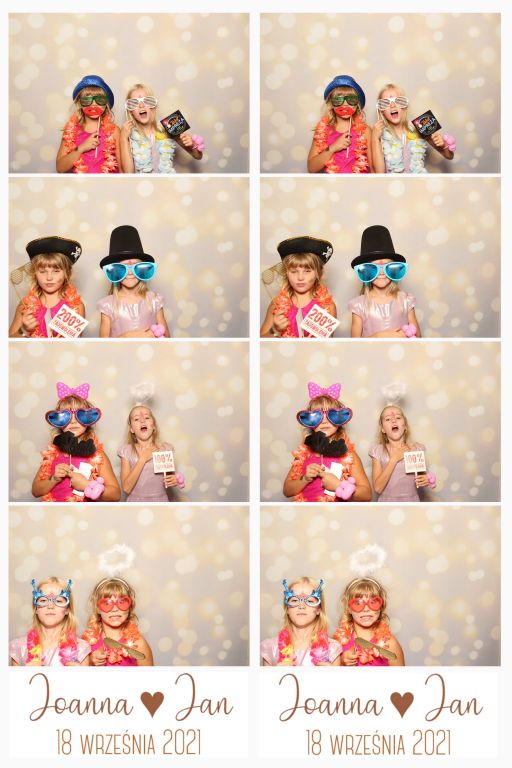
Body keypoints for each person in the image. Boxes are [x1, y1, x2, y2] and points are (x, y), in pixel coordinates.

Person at [31, 382, 121, 502]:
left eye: (80, 415)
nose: (73, 421)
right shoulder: (52, 455)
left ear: (88, 418)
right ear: (58, 421)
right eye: (66, 416)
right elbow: (35, 491)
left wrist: (87, 485)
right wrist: (53, 479)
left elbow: (116, 495)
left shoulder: (97, 455)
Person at [283, 381, 372, 502]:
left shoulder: (348, 455)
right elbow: (287, 491)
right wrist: (305, 479)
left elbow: (367, 495)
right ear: (309, 421)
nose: (324, 421)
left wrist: (339, 486)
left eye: (331, 415)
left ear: (340, 418)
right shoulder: (303, 454)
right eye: (317, 416)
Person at [97, 225, 170, 338]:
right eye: (123, 268)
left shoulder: (154, 301)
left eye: (136, 267)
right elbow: (102, 345)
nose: (130, 272)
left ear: (143, 269)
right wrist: (125, 337)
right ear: (115, 271)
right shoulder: (108, 305)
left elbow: (167, 339)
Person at [349, 225, 421, 338]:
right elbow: (354, 345)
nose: (381, 273)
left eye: (388, 267)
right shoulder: (359, 305)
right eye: (374, 268)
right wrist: (378, 336)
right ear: (366, 271)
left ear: (395, 269)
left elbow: (418, 338)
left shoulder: (405, 301)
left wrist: (405, 336)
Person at [260, 236, 336, 338]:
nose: (300, 277)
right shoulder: (276, 305)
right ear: (286, 273)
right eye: (294, 271)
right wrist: (275, 330)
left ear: (318, 273)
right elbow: (260, 341)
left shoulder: (327, 307)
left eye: (307, 271)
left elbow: (327, 343)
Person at [9, 236, 85, 338]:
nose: (49, 277)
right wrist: (24, 330)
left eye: (56, 271)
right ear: (34, 273)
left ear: (67, 273)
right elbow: (8, 343)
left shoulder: (76, 307)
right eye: (42, 271)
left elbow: (77, 343)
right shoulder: (25, 306)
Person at [120, 83, 203, 173]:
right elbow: (128, 173)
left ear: (153, 105)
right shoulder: (128, 135)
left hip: (167, 181)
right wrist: (123, 138)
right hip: (143, 182)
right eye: (134, 103)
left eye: (147, 101)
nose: (141, 106)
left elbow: (198, 156)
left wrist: (192, 145)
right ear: (130, 111)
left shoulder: (169, 126)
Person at [371, 83, 455, 174]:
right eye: (385, 103)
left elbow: (449, 156)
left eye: (399, 101)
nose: (392, 105)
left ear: (405, 106)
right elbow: (379, 173)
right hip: (393, 183)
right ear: (382, 111)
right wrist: (375, 139)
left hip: (418, 182)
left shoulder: (420, 126)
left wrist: (443, 145)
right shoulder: (379, 134)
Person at [261, 577, 341, 666]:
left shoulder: (332, 649)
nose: (302, 606)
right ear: (287, 609)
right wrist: (276, 673)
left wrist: (331, 673)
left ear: (318, 609)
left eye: (310, 601)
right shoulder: (271, 649)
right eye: (294, 600)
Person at [9, 577, 90, 666]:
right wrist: (24, 673)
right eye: (43, 600)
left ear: (67, 609)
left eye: (58, 601)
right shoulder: (19, 648)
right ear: (36, 609)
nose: (50, 606)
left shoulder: (81, 649)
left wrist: (79, 673)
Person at [118, 404, 185, 501]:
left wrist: (175, 479)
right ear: (131, 429)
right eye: (136, 419)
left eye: (147, 417)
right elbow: (126, 488)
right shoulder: (126, 451)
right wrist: (142, 459)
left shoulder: (165, 449)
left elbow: (169, 478)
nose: (142, 421)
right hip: (135, 503)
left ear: (154, 425)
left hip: (160, 502)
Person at [370, 404, 436, 501]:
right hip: (387, 503)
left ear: (405, 426)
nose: (394, 420)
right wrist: (394, 459)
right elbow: (378, 488)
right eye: (388, 419)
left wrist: (426, 479)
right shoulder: (377, 451)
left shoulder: (416, 449)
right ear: (383, 429)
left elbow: (420, 478)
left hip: (411, 503)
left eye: (398, 417)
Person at [334, 577, 405, 666]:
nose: (366, 609)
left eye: (373, 602)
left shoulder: (390, 644)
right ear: (348, 609)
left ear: (381, 607)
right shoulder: (337, 644)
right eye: (358, 603)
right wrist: (340, 662)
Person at [307, 75, 372, 174]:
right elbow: (311, 168)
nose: (345, 104)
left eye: (351, 99)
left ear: (357, 104)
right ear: (331, 104)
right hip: (332, 183)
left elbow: (374, 169)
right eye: (338, 99)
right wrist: (333, 148)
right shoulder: (322, 131)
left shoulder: (365, 131)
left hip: (358, 183)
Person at [82, 577, 153, 666]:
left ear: (130, 607)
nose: (115, 609)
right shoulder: (86, 643)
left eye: (122, 602)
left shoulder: (139, 644)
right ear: (98, 609)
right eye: (107, 603)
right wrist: (90, 662)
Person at [56, 75, 120, 173]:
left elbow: (124, 169)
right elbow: (60, 168)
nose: (94, 104)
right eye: (87, 100)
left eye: (100, 99)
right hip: (80, 182)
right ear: (79, 104)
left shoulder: (114, 131)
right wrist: (81, 148)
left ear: (106, 104)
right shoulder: (71, 131)